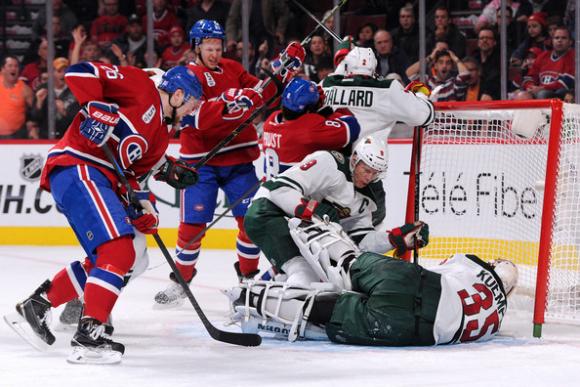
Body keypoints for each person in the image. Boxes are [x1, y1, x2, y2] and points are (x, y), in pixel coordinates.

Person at [5, 64, 203, 364]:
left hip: (100, 178)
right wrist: (95, 106)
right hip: (79, 165)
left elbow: (129, 179)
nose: (191, 112)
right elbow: (80, 72)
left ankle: (37, 305)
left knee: (114, 258)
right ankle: (89, 336)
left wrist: (140, 209)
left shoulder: (161, 137)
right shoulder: (141, 85)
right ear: (177, 95)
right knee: (119, 252)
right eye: (191, 104)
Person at [153, 19, 306, 306]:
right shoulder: (187, 77)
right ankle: (181, 281)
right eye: (209, 48)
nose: (214, 53)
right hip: (201, 165)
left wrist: (283, 71)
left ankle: (248, 278)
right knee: (192, 226)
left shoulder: (233, 69)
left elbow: (262, 95)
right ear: (196, 48)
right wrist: (230, 102)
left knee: (250, 222)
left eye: (218, 47)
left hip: (239, 161)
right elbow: (194, 119)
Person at [226, 217, 519, 346]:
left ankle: (302, 223)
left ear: (492, 266)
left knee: (347, 263)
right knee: (326, 311)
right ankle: (248, 298)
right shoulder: (495, 321)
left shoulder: (472, 264)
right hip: (415, 330)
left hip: (418, 282)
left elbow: (441, 269)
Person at [244, 135, 429, 287]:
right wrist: (313, 209)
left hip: (302, 231)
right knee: (303, 273)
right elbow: (278, 190)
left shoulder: (366, 200)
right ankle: (272, 302)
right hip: (268, 212)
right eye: (366, 170)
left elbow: (360, 242)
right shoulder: (328, 163)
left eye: (375, 173)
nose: (369, 177)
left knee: (328, 275)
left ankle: (264, 286)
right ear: (355, 159)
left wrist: (394, 239)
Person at [322, 46, 434, 142]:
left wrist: (345, 60)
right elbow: (424, 116)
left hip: (332, 157)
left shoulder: (327, 85)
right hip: (368, 162)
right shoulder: (387, 88)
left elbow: (337, 75)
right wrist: (419, 95)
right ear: (374, 66)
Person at [262, 77, 360, 179]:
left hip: (269, 188)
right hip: (297, 192)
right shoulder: (308, 128)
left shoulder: (271, 120)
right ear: (308, 111)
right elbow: (352, 127)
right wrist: (327, 111)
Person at [518, 26, 575, 100]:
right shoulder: (543, 56)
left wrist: (542, 88)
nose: (559, 40)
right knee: (522, 95)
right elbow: (530, 76)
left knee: (543, 94)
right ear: (552, 41)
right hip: (539, 90)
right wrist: (530, 87)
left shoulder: (574, 57)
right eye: (556, 38)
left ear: (570, 42)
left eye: (563, 38)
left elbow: (567, 82)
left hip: (559, 93)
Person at [31, 57, 79, 139]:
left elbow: (79, 118)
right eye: (59, 71)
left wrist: (64, 112)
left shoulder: (75, 90)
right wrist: (39, 102)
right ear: (52, 73)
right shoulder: (43, 89)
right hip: (46, 136)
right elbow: (35, 118)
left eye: (65, 71)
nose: (63, 74)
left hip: (68, 136)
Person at [0, 55, 34, 139]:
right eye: (10, 66)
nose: (13, 69)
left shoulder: (25, 90)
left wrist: (33, 125)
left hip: (16, 135)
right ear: (2, 69)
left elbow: (35, 113)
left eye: (16, 66)